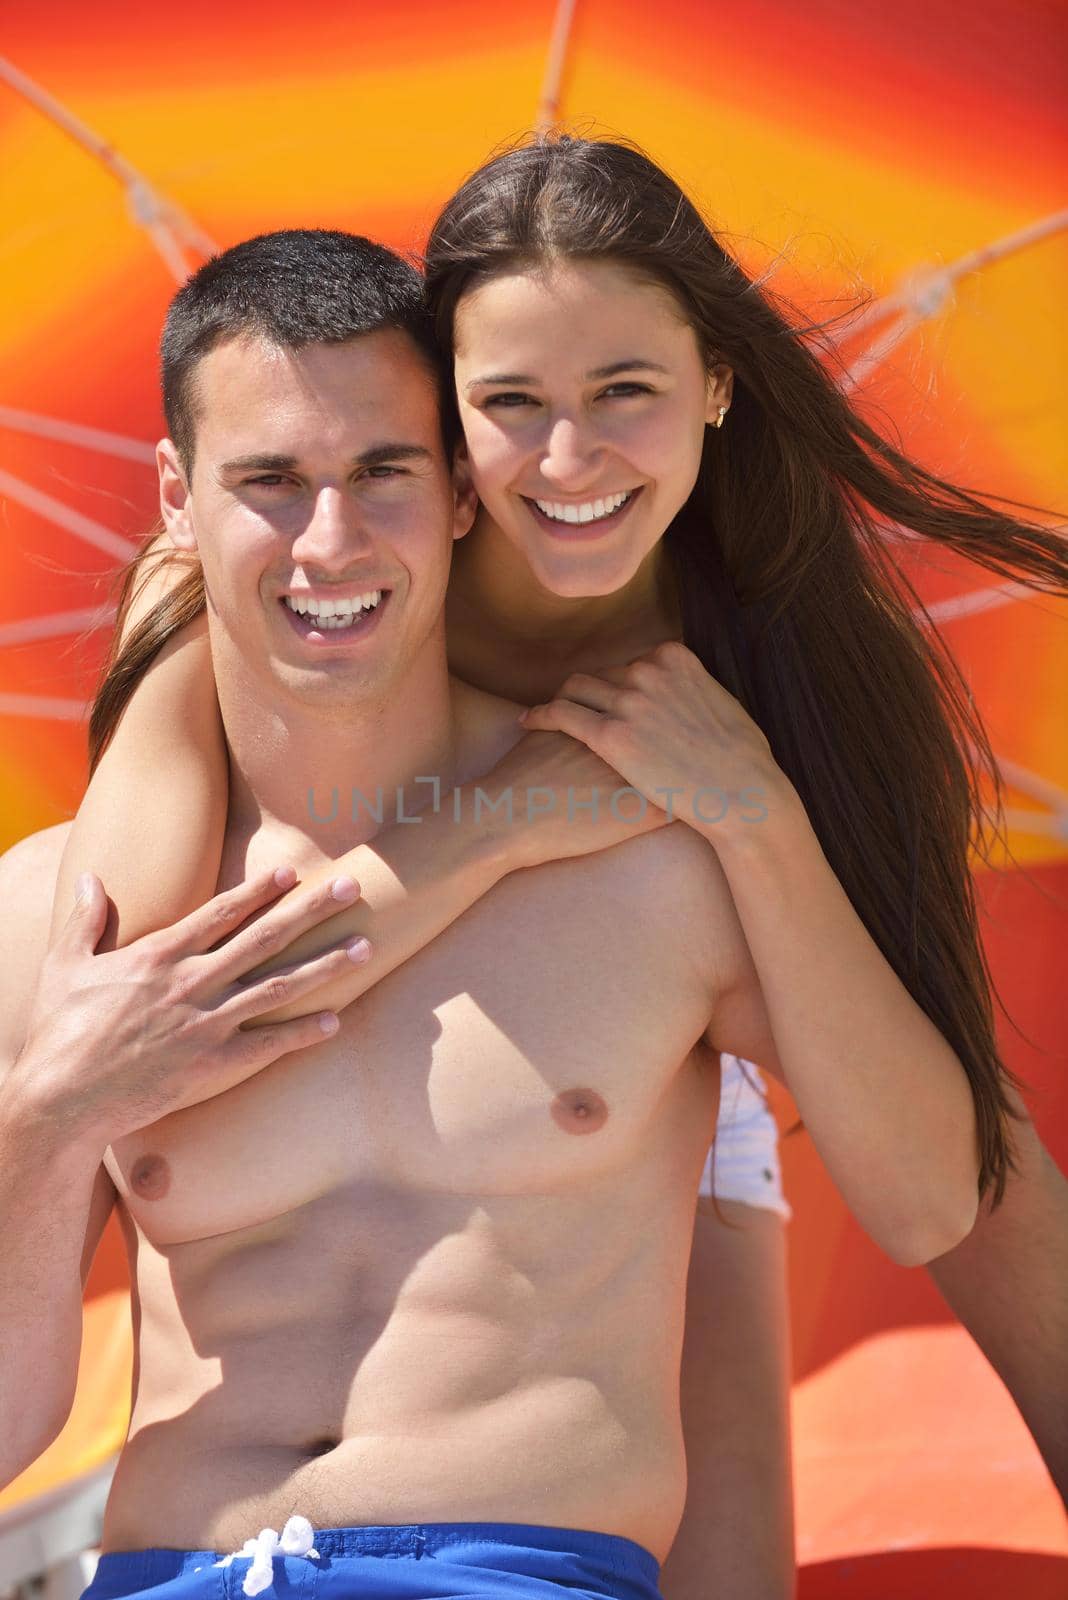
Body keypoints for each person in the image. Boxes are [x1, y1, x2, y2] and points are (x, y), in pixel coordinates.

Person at [8, 128, 1067, 1580]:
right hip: (409, 966)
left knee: (731, 1518)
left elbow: (961, 1191)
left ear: (714, 386)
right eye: (511, 401)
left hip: (636, 990)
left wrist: (741, 806)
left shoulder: (768, 644)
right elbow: (138, 960)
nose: (567, 460)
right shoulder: (230, 608)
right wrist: (60, 1090)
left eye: (624, 389)